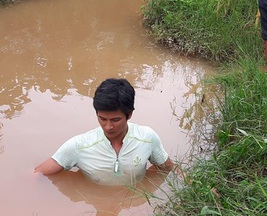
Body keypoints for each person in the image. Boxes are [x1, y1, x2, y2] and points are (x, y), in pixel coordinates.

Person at [35, 78, 174, 185]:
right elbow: (38, 174)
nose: (108, 127)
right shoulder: (79, 145)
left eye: (115, 120)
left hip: (133, 205)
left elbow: (168, 168)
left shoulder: (147, 138)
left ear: (129, 114)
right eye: (102, 119)